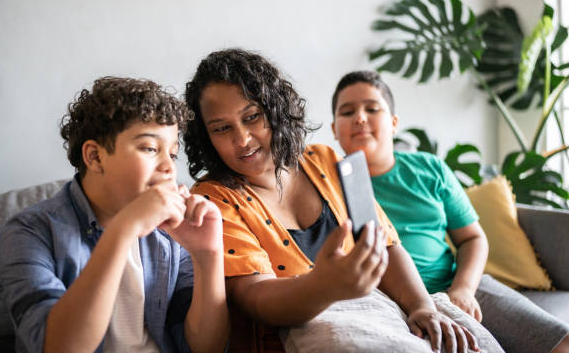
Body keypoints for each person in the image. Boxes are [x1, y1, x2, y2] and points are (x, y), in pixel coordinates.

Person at [183, 48, 499, 353]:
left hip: (384, 314)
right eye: (221, 128)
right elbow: (253, 296)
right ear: (206, 137)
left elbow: (387, 244)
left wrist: (421, 307)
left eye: (252, 117)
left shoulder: (328, 159)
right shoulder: (213, 199)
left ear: (276, 109)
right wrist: (323, 287)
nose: (242, 139)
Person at [330, 70, 569, 353]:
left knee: (559, 342)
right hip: (383, 301)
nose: (360, 117)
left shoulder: (430, 169)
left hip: (454, 285)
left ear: (394, 123)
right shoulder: (327, 182)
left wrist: (464, 288)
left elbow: (472, 238)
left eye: (372, 108)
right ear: (334, 129)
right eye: (348, 111)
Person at [0, 77, 229, 353]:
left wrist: (207, 255)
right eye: (150, 149)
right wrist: (124, 229)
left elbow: (206, 348)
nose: (169, 167)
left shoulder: (170, 234)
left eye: (172, 154)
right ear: (95, 157)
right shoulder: (30, 232)